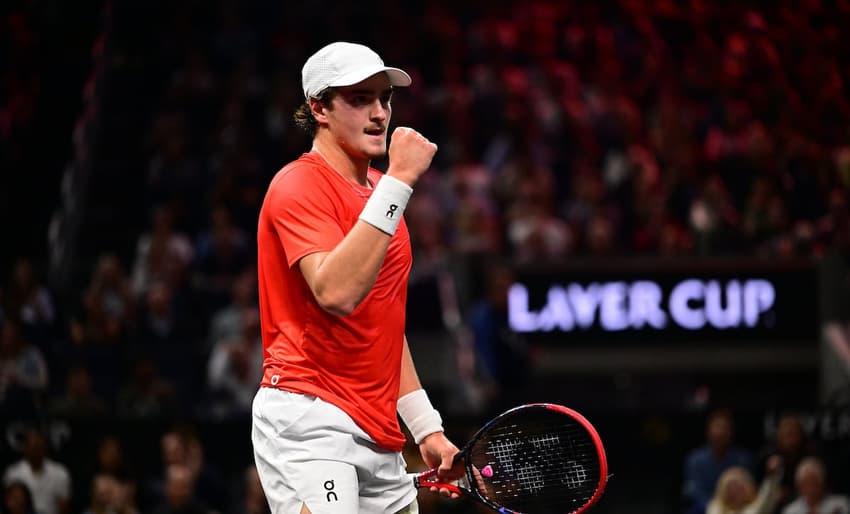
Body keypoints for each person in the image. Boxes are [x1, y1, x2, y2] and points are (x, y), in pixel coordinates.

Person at [251, 41, 463, 514]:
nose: (379, 113)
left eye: (384, 99)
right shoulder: (297, 185)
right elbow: (337, 293)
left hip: (378, 427)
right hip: (310, 415)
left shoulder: (381, 202)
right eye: (359, 99)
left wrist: (425, 426)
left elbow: (382, 326)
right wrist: (400, 179)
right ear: (318, 108)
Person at [683, 409, 755, 514]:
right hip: (706, 508)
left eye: (725, 428)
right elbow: (695, 492)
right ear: (708, 431)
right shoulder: (695, 460)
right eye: (717, 427)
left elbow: (749, 491)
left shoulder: (743, 459)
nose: (721, 432)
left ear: (731, 432)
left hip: (738, 508)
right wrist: (716, 508)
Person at [2, 429, 71, 514]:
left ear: (44, 447)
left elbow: (64, 506)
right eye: (32, 447)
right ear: (25, 448)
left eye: (38, 447)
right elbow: (10, 504)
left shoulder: (60, 473)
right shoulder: (13, 473)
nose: (35, 451)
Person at [706, 456, 782, 514]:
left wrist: (772, 477)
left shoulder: (753, 509)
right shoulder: (715, 508)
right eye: (731, 488)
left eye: (739, 488)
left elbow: (766, 501)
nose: (735, 492)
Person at [782, 458, 850, 514]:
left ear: (822, 483)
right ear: (799, 486)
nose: (810, 489)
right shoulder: (791, 511)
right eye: (806, 483)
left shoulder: (841, 505)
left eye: (814, 483)